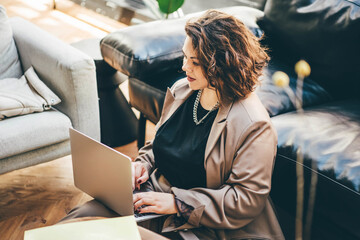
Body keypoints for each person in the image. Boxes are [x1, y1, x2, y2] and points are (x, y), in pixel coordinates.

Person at [61, 9, 284, 240]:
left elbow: (245, 200)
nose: (185, 67)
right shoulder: (183, 90)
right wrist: (141, 166)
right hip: (155, 200)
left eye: (194, 62)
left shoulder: (254, 125)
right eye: (185, 56)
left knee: (103, 234)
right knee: (79, 220)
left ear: (221, 64)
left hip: (204, 225)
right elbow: (158, 143)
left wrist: (177, 203)